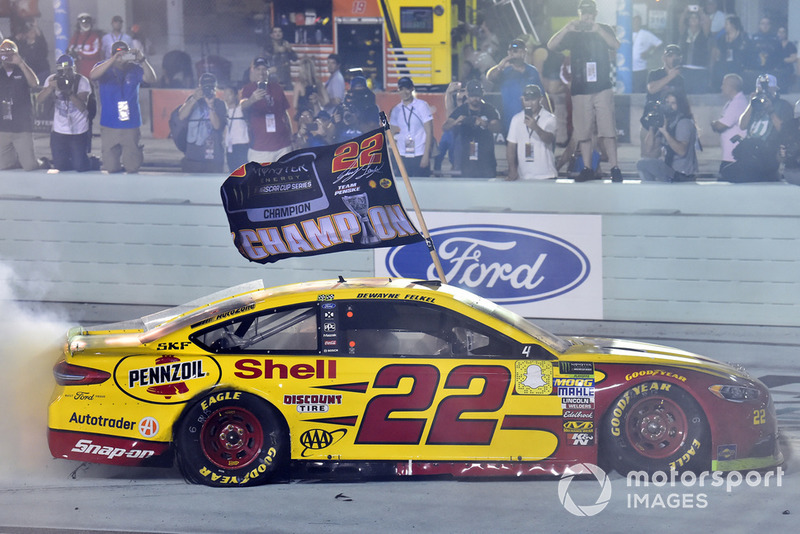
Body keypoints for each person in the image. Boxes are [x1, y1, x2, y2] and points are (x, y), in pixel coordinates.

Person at [547, 0, 622, 182]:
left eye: (590, 13)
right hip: (580, 88)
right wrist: (566, 28)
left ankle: (615, 167)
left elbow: (616, 45)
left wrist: (598, 30)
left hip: (602, 86)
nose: (587, 17)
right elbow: (551, 46)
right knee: (583, 131)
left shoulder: (603, 28)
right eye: (584, 13)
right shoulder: (573, 32)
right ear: (579, 13)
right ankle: (587, 168)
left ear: (595, 13)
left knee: (608, 130)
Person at [90, 41, 157, 173]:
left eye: (125, 54)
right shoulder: (103, 67)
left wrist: (142, 60)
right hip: (110, 124)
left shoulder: (135, 68)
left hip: (130, 124)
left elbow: (151, 79)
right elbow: (92, 75)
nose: (122, 58)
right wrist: (112, 60)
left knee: (133, 166)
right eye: (118, 54)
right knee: (111, 166)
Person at [720, 73, 793, 183]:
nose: (764, 93)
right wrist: (751, 103)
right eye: (760, 90)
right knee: (727, 173)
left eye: (767, 90)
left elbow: (785, 131)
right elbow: (743, 125)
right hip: (750, 154)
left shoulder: (783, 105)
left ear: (775, 89)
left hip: (768, 156)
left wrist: (771, 111)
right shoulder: (756, 106)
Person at [37, 55, 91, 172]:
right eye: (62, 70)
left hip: (78, 130)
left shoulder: (82, 81)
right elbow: (39, 100)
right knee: (60, 166)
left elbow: (82, 107)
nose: (65, 74)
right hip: (59, 130)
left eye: (68, 70)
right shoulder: (52, 79)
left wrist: (68, 92)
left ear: (74, 68)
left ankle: (91, 161)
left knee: (80, 166)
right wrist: (50, 88)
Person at [441, 79, 501, 178]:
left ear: (482, 95)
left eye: (477, 96)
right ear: (467, 95)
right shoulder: (461, 110)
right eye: (473, 95)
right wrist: (456, 122)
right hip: (465, 160)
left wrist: (485, 124)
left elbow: (497, 127)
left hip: (486, 160)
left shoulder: (489, 109)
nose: (475, 99)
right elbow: (445, 127)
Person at [486, 38, 546, 134]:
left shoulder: (532, 71)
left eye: (517, 50)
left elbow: (542, 95)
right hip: (509, 121)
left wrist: (546, 116)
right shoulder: (504, 71)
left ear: (524, 52)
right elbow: (490, 77)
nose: (514, 53)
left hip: (529, 120)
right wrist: (503, 63)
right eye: (511, 51)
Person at [636, 91, 698, 182]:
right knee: (643, 164)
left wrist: (665, 132)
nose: (669, 106)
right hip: (669, 170)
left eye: (673, 103)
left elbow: (681, 151)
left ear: (680, 105)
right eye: (667, 103)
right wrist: (652, 127)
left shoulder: (684, 123)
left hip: (682, 173)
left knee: (642, 164)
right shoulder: (667, 122)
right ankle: (650, 192)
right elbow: (648, 149)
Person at [240, 56, 293, 163]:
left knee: (283, 179)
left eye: (264, 69)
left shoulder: (277, 87)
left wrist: (291, 136)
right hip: (259, 148)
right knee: (258, 179)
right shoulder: (248, 89)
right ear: (253, 70)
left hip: (282, 146)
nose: (261, 72)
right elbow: (242, 105)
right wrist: (252, 99)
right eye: (258, 69)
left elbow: (285, 113)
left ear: (268, 71)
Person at [175, 73, 227, 173]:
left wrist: (210, 105)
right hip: (192, 157)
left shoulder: (220, 104)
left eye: (211, 87)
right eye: (205, 87)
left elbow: (217, 126)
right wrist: (194, 98)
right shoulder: (193, 100)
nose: (208, 90)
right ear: (199, 87)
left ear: (215, 88)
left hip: (213, 159)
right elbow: (181, 116)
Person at [0, 39, 39, 171]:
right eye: (3, 52)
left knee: (29, 166)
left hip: (21, 127)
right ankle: (15, 159)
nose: (7, 55)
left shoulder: (22, 71)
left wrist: (20, 63)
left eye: (10, 52)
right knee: (3, 166)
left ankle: (39, 162)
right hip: (3, 127)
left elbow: (35, 84)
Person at [641, 45, 686, 158]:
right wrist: (670, 76)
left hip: (672, 119)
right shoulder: (655, 74)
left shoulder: (681, 79)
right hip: (652, 117)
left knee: (671, 156)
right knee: (649, 153)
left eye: (676, 56)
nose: (673, 59)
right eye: (670, 56)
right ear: (664, 58)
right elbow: (652, 89)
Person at [506, 84, 557, 180]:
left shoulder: (549, 118)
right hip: (524, 176)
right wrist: (512, 169)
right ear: (522, 99)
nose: (530, 103)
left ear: (540, 99)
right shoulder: (516, 119)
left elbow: (549, 139)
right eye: (527, 100)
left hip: (546, 175)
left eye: (533, 100)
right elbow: (511, 146)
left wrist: (536, 127)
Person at [389, 76, 434, 177]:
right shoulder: (396, 109)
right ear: (398, 90)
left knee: (421, 186)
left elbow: (429, 131)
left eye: (407, 88)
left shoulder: (422, 105)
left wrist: (426, 155)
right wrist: (393, 155)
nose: (404, 92)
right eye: (401, 89)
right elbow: (391, 134)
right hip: (402, 154)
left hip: (419, 153)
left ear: (412, 89)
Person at [710, 73, 747, 174]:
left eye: (724, 84)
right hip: (729, 155)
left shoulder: (737, 103)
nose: (721, 87)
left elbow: (720, 125)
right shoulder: (732, 102)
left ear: (731, 87)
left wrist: (713, 124)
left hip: (732, 157)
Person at [433, 81, 468, 174]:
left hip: (468, 161)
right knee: (447, 136)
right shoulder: (454, 112)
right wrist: (448, 93)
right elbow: (450, 113)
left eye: (464, 91)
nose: (462, 94)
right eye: (460, 91)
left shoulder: (474, 106)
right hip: (453, 136)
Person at [712, 15, 750, 90]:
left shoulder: (743, 36)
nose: (725, 26)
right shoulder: (722, 37)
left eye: (727, 24)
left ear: (733, 25)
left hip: (738, 66)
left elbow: (745, 51)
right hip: (724, 65)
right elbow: (718, 49)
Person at [678, 8, 711, 93]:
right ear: (688, 21)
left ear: (700, 21)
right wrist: (686, 11)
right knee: (685, 94)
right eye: (691, 18)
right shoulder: (685, 32)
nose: (693, 19)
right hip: (685, 69)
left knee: (699, 94)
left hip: (700, 69)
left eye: (696, 18)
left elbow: (707, 22)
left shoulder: (703, 33)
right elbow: (681, 22)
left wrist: (701, 11)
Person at [632, 15, 662, 93]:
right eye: (634, 22)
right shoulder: (627, 34)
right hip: (628, 69)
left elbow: (659, 43)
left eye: (637, 22)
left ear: (640, 23)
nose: (636, 23)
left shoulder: (645, 34)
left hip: (640, 69)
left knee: (639, 91)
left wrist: (649, 53)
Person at [222, 85, 249, 172]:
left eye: (229, 94)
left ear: (235, 95)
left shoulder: (241, 108)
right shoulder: (224, 111)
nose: (226, 97)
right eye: (224, 94)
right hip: (229, 147)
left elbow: (247, 103)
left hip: (242, 146)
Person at [68, 13, 103, 79]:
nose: (85, 24)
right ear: (79, 24)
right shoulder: (75, 36)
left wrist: (80, 53)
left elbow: (95, 52)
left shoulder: (95, 37)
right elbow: (71, 49)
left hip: (92, 73)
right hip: (79, 72)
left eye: (88, 22)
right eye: (83, 22)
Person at [14, 18, 48, 83]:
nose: (32, 33)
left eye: (33, 31)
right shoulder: (23, 45)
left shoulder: (40, 43)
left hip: (42, 71)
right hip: (30, 73)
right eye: (30, 31)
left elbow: (40, 36)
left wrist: (35, 26)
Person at [775, 27, 797, 92]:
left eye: (783, 32)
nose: (781, 34)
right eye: (779, 32)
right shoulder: (774, 44)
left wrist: (782, 60)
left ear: (786, 33)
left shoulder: (790, 45)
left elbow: (793, 58)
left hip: (787, 68)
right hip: (775, 68)